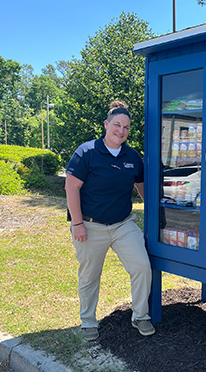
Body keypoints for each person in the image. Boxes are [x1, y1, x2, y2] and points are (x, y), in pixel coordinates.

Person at [65, 100, 154, 341]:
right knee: (89, 275)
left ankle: (140, 316)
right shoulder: (87, 152)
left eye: (126, 127)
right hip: (90, 225)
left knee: (142, 267)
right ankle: (88, 321)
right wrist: (77, 224)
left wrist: (163, 211)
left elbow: (143, 189)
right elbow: (71, 187)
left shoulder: (133, 157)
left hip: (123, 224)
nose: (121, 131)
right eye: (117, 125)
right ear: (106, 124)